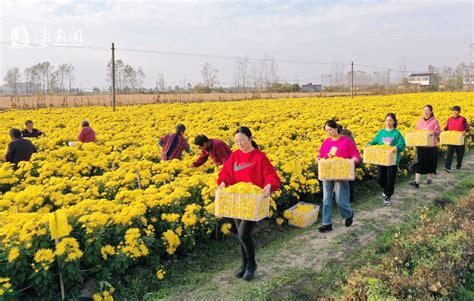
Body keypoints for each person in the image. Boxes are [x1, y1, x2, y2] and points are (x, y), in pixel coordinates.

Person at [217, 127, 280, 281]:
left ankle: (252, 264)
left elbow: (271, 175)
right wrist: (223, 182)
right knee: (241, 235)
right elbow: (226, 173)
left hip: (252, 202)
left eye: (243, 140)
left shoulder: (259, 157)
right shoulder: (235, 156)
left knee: (243, 233)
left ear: (250, 139)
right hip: (238, 201)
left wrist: (268, 185)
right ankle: (244, 264)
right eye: (237, 141)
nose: (240, 144)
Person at [317, 120, 361, 233]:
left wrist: (354, 160)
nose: (329, 132)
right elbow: (321, 155)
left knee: (340, 200)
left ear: (336, 128)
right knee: (326, 199)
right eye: (326, 131)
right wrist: (318, 159)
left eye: (330, 129)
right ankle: (327, 223)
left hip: (341, 173)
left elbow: (356, 155)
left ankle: (348, 214)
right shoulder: (326, 142)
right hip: (327, 173)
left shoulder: (346, 142)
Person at [367, 113, 406, 206]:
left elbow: (402, 145)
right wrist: (369, 144)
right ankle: (386, 189)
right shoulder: (381, 132)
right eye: (387, 120)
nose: (388, 122)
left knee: (390, 179)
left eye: (391, 120)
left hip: (392, 160)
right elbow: (374, 141)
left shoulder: (397, 133)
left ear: (394, 122)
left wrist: (396, 147)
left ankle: (388, 196)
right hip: (381, 159)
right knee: (380, 178)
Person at [410, 105, 441, 188]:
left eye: (427, 110)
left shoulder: (435, 121)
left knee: (430, 162)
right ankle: (417, 182)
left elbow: (438, 132)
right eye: (424, 110)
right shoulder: (420, 121)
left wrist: (433, 132)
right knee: (419, 162)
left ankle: (429, 178)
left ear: (431, 111)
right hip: (421, 145)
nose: (425, 112)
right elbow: (416, 131)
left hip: (431, 146)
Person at [443, 105, 469, 172]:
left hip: (459, 138)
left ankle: (458, 165)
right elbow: (446, 127)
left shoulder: (463, 119)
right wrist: (444, 131)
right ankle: (447, 167)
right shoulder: (450, 119)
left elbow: (466, 127)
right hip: (451, 138)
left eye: (456, 111)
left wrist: (465, 131)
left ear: (459, 112)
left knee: (460, 153)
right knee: (449, 153)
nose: (455, 112)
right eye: (454, 110)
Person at [338, 125, 356, 203]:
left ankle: (345, 198)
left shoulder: (343, 138)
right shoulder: (350, 136)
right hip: (351, 161)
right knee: (350, 180)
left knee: (344, 181)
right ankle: (350, 197)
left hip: (345, 161)